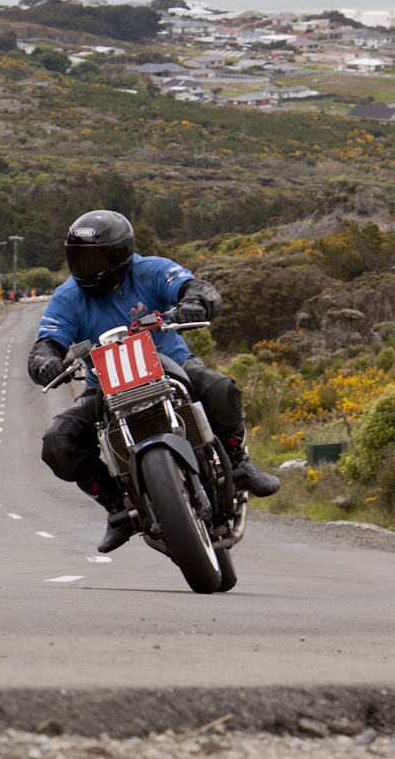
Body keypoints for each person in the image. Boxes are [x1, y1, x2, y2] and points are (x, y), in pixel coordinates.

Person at [28, 210, 280, 553]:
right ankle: (118, 508)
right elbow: (49, 341)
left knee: (220, 388)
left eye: (98, 257)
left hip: (171, 363)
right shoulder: (67, 296)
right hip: (105, 385)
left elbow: (195, 286)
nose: (88, 266)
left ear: (122, 253)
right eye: (80, 258)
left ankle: (238, 464)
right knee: (58, 441)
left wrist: (196, 301)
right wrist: (45, 360)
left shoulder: (153, 269)